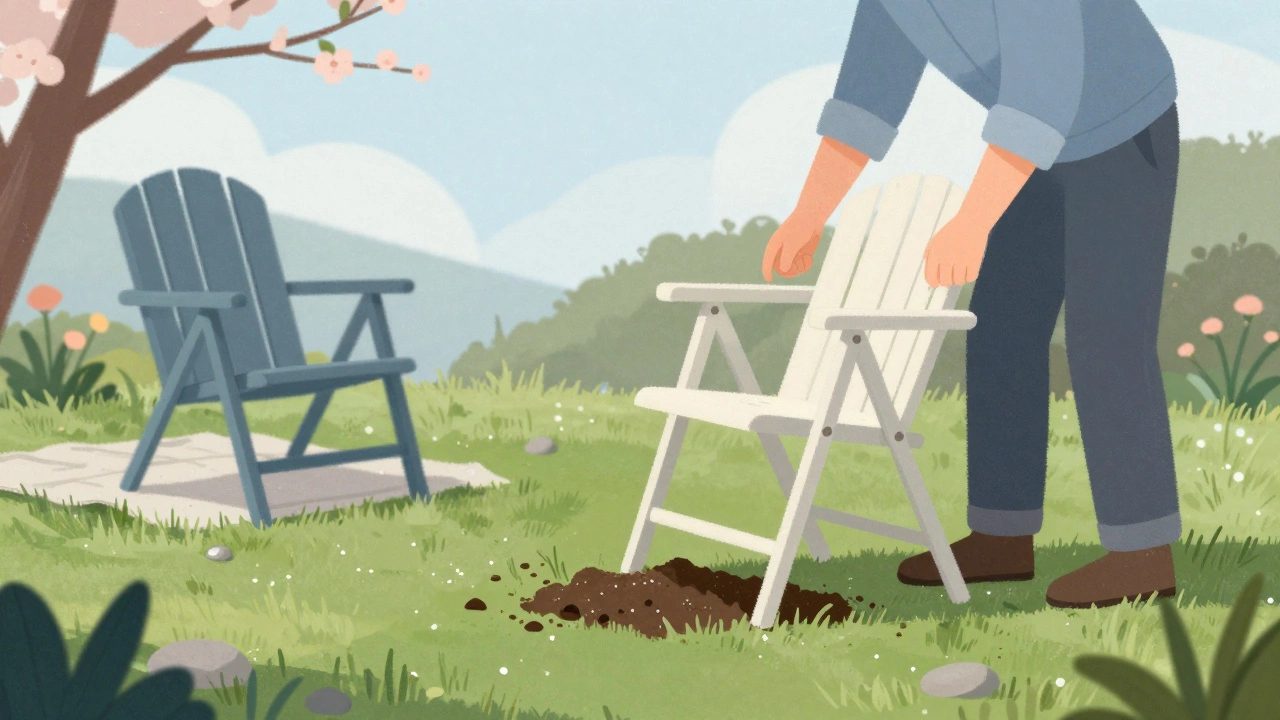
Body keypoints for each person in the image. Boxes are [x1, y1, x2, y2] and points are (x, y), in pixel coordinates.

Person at [761, 0, 1181, 608]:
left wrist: (972, 222)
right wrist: (808, 213)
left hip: (1117, 125)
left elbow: (1043, 91)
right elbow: (867, 95)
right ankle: (1001, 533)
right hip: (1035, 147)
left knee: (1107, 340)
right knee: (1000, 333)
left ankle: (1142, 550)